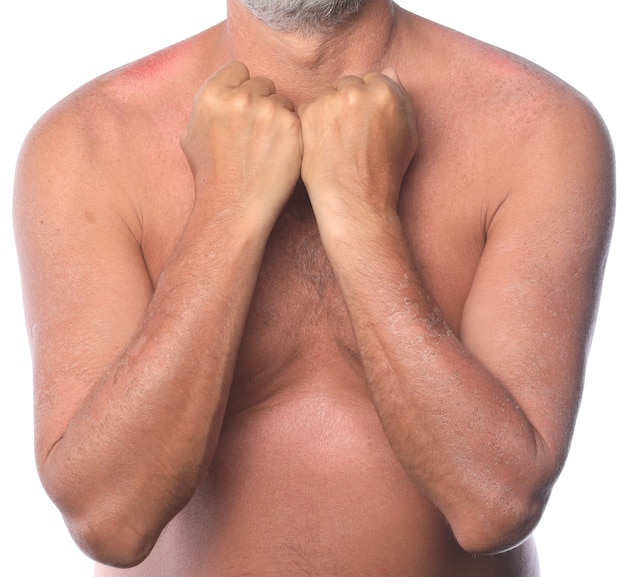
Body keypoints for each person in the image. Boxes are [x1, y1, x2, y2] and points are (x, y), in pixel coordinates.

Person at [13, 0, 614, 575]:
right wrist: (228, 209)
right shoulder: (87, 143)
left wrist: (361, 214)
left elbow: (496, 504)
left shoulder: (538, 128)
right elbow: (108, 519)